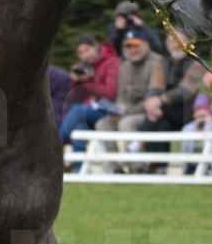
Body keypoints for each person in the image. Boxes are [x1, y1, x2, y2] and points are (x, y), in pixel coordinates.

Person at [93, 30, 165, 171]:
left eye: (136, 45)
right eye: (128, 46)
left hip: (150, 112)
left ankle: (137, 167)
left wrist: (126, 111)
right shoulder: (124, 66)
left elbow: (153, 98)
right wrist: (117, 109)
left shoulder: (157, 63)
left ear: (146, 45)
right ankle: (115, 168)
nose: (132, 50)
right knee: (102, 123)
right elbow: (121, 97)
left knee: (127, 123)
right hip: (127, 111)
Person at [58, 34, 120, 151]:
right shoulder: (86, 66)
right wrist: (76, 81)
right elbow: (75, 98)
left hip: (110, 110)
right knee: (79, 128)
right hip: (91, 110)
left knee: (77, 111)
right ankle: (77, 167)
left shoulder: (112, 62)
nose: (85, 55)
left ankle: (55, 145)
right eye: (80, 53)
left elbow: (111, 93)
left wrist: (88, 81)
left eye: (87, 50)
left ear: (96, 46)